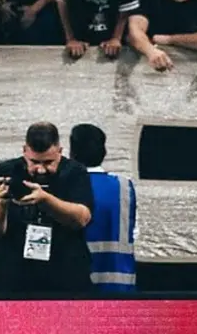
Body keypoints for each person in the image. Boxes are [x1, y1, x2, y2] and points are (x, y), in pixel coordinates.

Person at [0, 121, 93, 293]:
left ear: (60, 152)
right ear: (24, 150)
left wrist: (45, 199)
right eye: (34, 162)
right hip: (11, 277)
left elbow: (82, 218)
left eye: (48, 162)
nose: (41, 170)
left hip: (64, 276)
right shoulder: (6, 171)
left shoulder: (75, 172)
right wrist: (1, 203)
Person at [69, 123, 136, 293]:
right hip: (119, 287)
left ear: (71, 153)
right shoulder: (124, 186)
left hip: (74, 287)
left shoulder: (66, 186)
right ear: (104, 151)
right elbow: (134, 232)